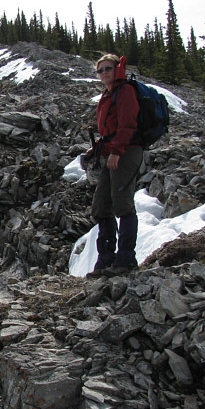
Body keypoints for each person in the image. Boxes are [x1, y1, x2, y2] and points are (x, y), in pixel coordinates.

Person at [87, 54, 143, 277]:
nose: (104, 73)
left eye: (108, 68)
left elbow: (128, 125)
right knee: (101, 206)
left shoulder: (125, 90)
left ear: (117, 68)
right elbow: (110, 129)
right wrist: (97, 149)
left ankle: (126, 260)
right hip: (111, 151)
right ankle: (106, 260)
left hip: (127, 151)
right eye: (100, 70)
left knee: (122, 204)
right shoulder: (108, 94)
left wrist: (117, 151)